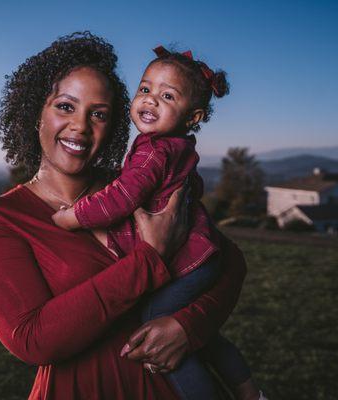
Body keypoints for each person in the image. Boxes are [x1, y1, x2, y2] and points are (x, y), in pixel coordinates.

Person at [0, 32, 248, 400]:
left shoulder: (139, 189)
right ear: (35, 108)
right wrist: (150, 260)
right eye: (65, 106)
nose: (81, 127)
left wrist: (188, 326)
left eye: (98, 114)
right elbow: (32, 341)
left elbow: (229, 262)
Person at [51, 45, 264, 400]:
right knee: (206, 337)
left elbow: (121, 198)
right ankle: (250, 393)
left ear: (192, 116)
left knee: (159, 338)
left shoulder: (154, 149)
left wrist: (71, 217)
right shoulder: (179, 146)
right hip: (201, 257)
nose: (150, 100)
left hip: (187, 263)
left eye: (167, 96)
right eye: (145, 89)